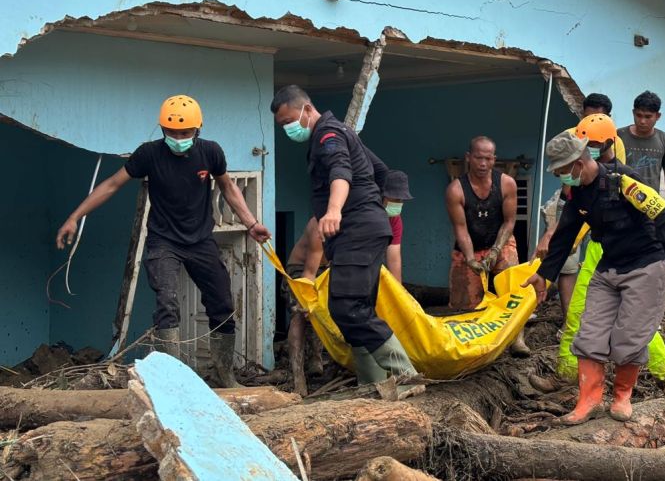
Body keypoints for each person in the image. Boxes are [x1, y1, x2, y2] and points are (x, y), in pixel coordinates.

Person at [56, 95, 270, 388]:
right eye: (172, 132)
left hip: (200, 240)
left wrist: (251, 223)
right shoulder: (149, 154)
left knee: (222, 303)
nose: (179, 138)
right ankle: (176, 381)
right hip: (164, 241)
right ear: (162, 129)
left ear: (198, 129)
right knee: (167, 304)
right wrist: (74, 216)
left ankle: (225, 376)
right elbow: (111, 185)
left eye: (185, 133)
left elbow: (229, 188)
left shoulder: (211, 152)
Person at [522, 130, 665, 424]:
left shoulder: (625, 181)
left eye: (564, 170)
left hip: (646, 266)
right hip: (610, 266)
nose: (562, 177)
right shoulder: (577, 192)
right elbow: (565, 235)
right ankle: (588, 400)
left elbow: (663, 218)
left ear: (579, 161)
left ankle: (621, 398)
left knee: (629, 338)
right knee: (589, 333)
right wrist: (545, 275)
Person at [270, 85, 423, 397]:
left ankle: (407, 377)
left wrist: (335, 210)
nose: (287, 128)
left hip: (356, 229)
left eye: (289, 121)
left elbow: (341, 171)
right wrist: (379, 207)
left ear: (307, 109)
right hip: (362, 230)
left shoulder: (328, 134)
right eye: (282, 125)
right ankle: (374, 384)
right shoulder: (340, 132)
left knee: (347, 307)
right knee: (356, 307)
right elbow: (381, 171)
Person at [534, 93, 626, 318]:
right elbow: (569, 191)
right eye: (587, 118)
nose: (591, 126)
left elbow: (613, 192)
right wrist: (553, 231)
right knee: (566, 259)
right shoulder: (569, 139)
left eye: (598, 119)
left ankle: (602, 316)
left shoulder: (617, 154)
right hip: (575, 199)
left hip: (603, 206)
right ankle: (570, 319)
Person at [446, 136, 529, 356]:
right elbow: (460, 229)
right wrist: (471, 258)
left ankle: (517, 339)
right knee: (465, 304)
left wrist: (495, 250)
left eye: (487, 159)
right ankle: (472, 346)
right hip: (469, 246)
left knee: (514, 290)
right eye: (478, 158)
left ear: (494, 160)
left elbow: (509, 222)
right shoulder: (456, 189)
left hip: (500, 241)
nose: (483, 164)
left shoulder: (506, 183)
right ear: (468, 158)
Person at [617, 91, 665, 225]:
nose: (642, 121)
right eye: (638, 115)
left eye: (648, 116)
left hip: (649, 207)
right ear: (633, 112)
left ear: (658, 116)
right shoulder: (618, 136)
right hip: (620, 206)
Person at [285, 216, 326, 397]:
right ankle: (297, 376)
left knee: (327, 311)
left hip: (328, 269)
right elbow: (309, 272)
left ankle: (316, 360)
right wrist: (304, 301)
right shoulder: (318, 224)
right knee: (299, 315)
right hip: (302, 270)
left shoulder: (361, 220)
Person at [383, 170, 413, 283]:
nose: (398, 203)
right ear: (382, 195)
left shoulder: (394, 219)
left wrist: (398, 291)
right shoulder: (363, 214)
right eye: (395, 199)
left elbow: (394, 258)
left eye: (401, 200)